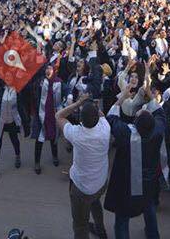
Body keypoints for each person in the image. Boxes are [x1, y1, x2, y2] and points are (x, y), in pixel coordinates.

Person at [104, 78, 170, 239]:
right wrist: (150, 95)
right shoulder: (156, 131)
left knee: (122, 220)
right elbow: (161, 113)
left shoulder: (126, 134)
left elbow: (111, 118)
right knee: (149, 210)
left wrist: (122, 97)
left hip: (126, 185)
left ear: (135, 122)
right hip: (148, 183)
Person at [57, 93, 110, 239]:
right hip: (100, 183)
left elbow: (59, 116)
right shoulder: (105, 128)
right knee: (95, 203)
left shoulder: (76, 134)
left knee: (80, 225)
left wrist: (78, 103)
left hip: (81, 188)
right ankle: (101, 230)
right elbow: (102, 115)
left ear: (80, 119)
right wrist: (94, 106)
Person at [0, 82, 23, 180]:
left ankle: (17, 155)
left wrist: (24, 121)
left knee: (14, 140)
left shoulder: (17, 90)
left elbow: (21, 106)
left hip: (11, 120)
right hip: (0, 120)